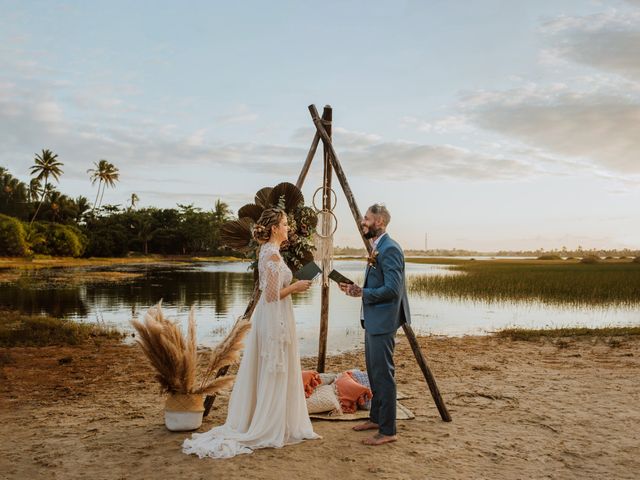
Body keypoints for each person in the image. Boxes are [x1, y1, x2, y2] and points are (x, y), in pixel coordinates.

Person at [183, 208, 320, 458]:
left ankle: (278, 419)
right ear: (275, 228)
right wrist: (296, 287)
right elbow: (269, 296)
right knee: (274, 368)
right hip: (274, 317)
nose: (289, 226)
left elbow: (272, 289)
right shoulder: (271, 255)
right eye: (285, 223)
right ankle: (269, 424)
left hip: (276, 316)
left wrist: (293, 285)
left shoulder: (269, 251)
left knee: (272, 368)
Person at [338, 203, 411, 446]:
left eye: (367, 219)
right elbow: (378, 284)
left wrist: (364, 292)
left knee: (384, 375)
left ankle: (388, 430)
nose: (363, 222)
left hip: (384, 321)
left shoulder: (390, 249)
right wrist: (356, 290)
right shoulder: (377, 247)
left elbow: (392, 289)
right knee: (373, 372)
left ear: (379, 222)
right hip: (373, 319)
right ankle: (376, 418)